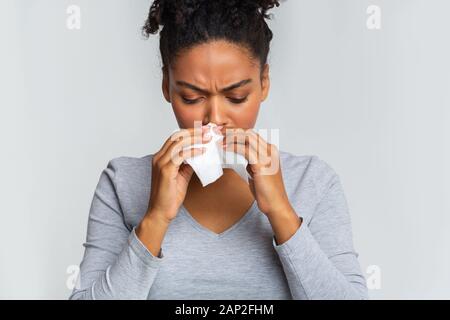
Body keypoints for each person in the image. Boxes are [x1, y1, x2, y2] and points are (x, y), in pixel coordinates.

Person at [69, 0, 369, 300]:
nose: (215, 118)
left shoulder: (313, 181)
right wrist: (156, 219)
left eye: (236, 97)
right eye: (190, 97)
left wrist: (281, 213)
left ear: (264, 82)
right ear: (166, 86)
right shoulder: (122, 183)